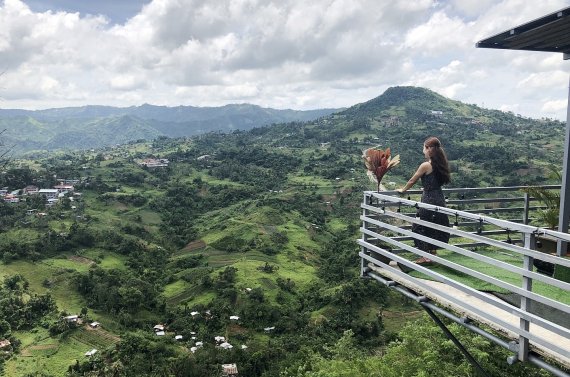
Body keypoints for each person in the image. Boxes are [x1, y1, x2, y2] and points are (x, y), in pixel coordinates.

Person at [396, 136, 451, 264]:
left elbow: (412, 180)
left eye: (424, 148)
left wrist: (403, 190)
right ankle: (432, 253)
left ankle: (425, 256)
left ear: (428, 149)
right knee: (435, 226)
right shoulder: (441, 164)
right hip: (440, 199)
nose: (423, 151)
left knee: (419, 226)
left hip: (429, 200)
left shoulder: (426, 165)